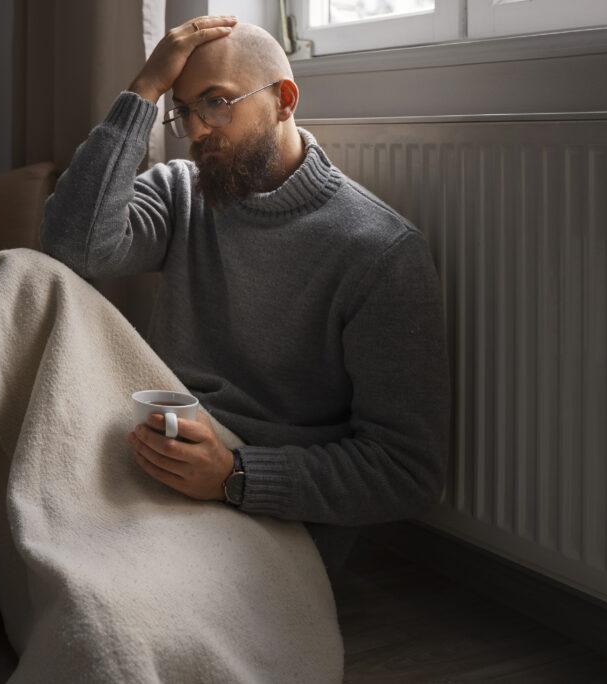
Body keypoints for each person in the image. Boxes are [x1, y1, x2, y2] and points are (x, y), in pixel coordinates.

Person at [40, 16, 451, 571]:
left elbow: (407, 472)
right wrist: (141, 92)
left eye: (216, 102)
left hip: (265, 513)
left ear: (284, 100)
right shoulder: (180, 191)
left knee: (92, 594)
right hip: (150, 457)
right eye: (183, 110)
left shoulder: (380, 251)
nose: (198, 129)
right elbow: (70, 246)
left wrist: (235, 475)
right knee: (9, 280)